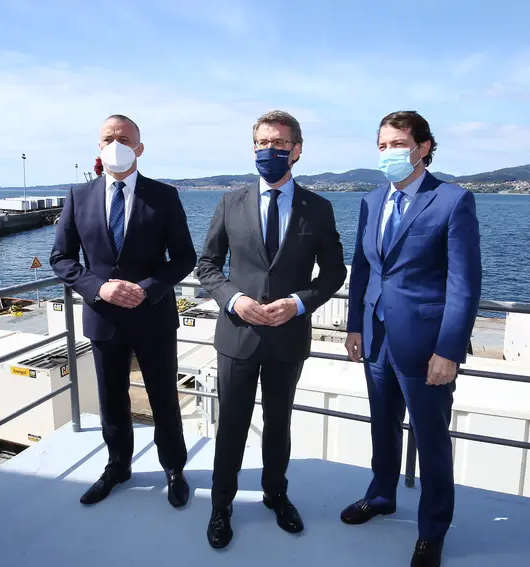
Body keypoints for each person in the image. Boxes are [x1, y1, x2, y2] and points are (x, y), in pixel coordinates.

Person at [195, 110, 347, 549]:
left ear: (296, 151)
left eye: (279, 144)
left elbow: (334, 273)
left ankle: (276, 495)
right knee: (232, 426)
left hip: (287, 338)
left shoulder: (317, 208)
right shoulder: (230, 203)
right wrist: (235, 299)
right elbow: (207, 265)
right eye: (262, 143)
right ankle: (221, 505)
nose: (270, 151)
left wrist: (299, 303)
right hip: (237, 336)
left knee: (278, 425)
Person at [341, 111, 482, 567]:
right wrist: (355, 326)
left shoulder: (452, 201)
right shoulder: (371, 199)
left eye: (397, 144)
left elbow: (464, 284)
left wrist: (450, 350)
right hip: (377, 337)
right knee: (381, 425)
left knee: (430, 438)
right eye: (382, 146)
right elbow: (363, 269)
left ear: (423, 147)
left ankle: (432, 530)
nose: (389, 154)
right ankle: (381, 495)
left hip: (426, 348)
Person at [50, 114, 196, 509]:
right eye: (108, 138)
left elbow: (184, 257)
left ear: (139, 147)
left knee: (164, 396)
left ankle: (174, 468)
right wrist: (100, 288)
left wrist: (146, 290)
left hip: (153, 317)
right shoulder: (78, 197)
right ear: (99, 147)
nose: (116, 144)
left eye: (124, 138)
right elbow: (61, 259)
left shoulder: (164, 196)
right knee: (111, 399)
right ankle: (118, 465)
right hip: (104, 318)